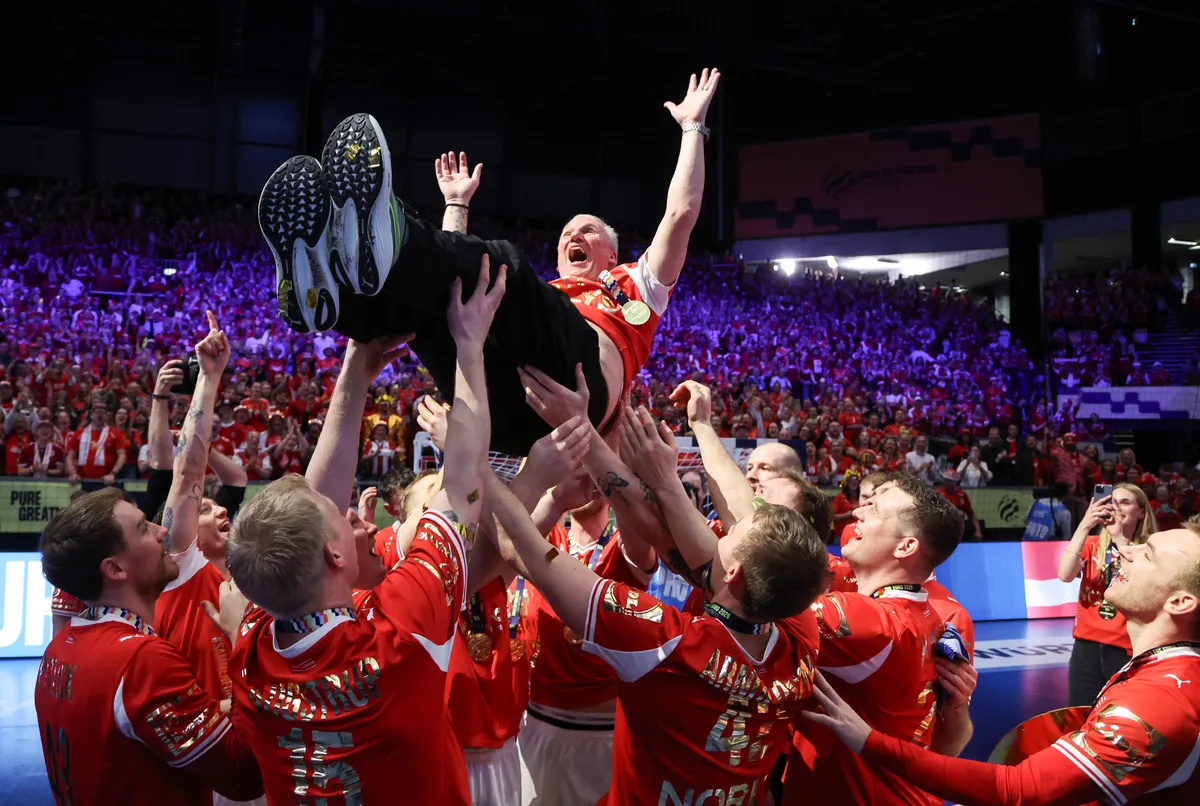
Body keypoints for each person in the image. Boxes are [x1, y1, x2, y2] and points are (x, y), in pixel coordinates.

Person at [258, 69, 719, 456]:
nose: (573, 235)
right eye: (566, 234)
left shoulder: (637, 284)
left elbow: (681, 214)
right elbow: (447, 283)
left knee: (503, 267)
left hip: (578, 398)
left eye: (587, 231)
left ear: (613, 254)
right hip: (503, 419)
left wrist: (692, 127)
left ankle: (389, 232)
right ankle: (335, 297)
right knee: (426, 312)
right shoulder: (546, 299)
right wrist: (456, 205)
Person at [225, 255, 502, 804]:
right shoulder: (401, 630)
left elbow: (313, 505)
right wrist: (470, 345)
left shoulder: (254, 650)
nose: (347, 508)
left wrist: (355, 370)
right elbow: (463, 476)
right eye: (339, 514)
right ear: (332, 556)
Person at [482, 429, 829, 806]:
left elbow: (518, 545)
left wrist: (469, 454)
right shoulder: (801, 628)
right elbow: (666, 524)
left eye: (726, 536)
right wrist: (693, 434)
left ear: (734, 572)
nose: (718, 531)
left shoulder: (661, 639)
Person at [804, 521, 1200, 805]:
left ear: (1180, 602)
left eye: (1145, 554)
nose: (1124, 549)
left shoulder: (1160, 701)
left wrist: (868, 741)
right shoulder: (1162, 672)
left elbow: (1018, 790)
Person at [35, 348, 264, 805]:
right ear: (115, 568)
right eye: (143, 528)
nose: (161, 530)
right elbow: (243, 776)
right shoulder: (141, 661)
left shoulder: (61, 649)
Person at [1057, 483, 1157, 706]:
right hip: (1086, 647)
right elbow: (1064, 574)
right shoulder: (1093, 545)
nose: (1117, 507)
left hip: (1128, 648)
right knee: (1080, 715)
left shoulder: (1151, 550)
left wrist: (1120, 538)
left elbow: (1143, 585)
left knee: (1122, 714)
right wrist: (1085, 525)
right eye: (1113, 501)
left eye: (1125, 502)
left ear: (1141, 512)